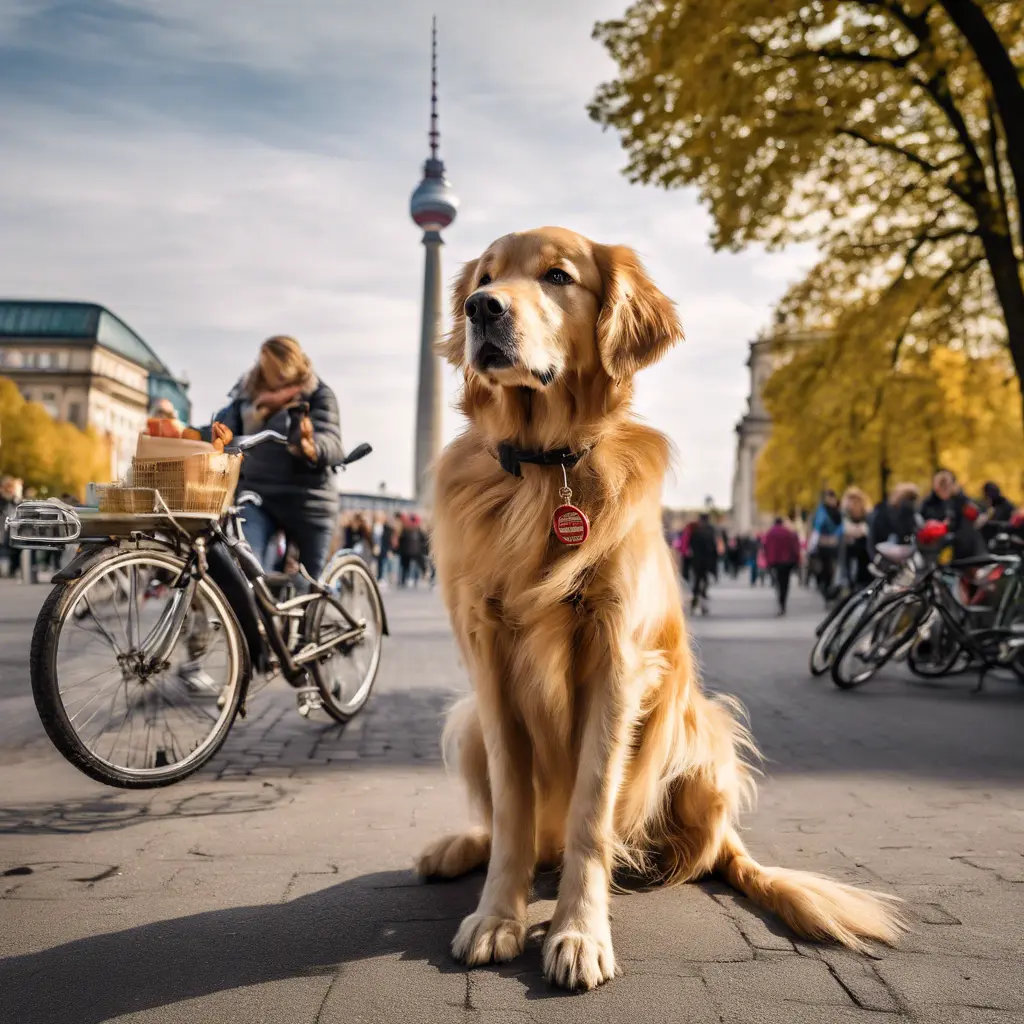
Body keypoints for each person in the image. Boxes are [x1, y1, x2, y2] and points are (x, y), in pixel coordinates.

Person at [202, 335, 344, 582]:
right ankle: (259, 616)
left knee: (311, 584)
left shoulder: (318, 395)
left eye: (282, 374)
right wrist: (185, 432)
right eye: (272, 373)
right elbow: (221, 432)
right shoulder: (246, 398)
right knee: (247, 566)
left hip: (309, 500)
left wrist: (311, 446)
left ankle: (313, 610)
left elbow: (331, 441)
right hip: (259, 496)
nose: (277, 381)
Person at [920, 469, 982, 558]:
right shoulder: (929, 503)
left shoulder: (959, 500)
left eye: (947, 485)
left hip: (960, 542)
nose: (944, 488)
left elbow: (974, 514)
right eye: (941, 484)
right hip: (937, 543)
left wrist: (960, 497)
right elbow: (924, 522)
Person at [868, 482, 920, 555]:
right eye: (907, 498)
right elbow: (874, 538)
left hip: (906, 554)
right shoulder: (883, 513)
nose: (909, 503)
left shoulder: (913, 515)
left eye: (912, 499)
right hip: (885, 554)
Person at [763, 516, 801, 615]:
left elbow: (766, 547)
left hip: (775, 562)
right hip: (787, 561)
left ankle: (780, 601)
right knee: (785, 583)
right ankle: (783, 602)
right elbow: (795, 547)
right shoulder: (788, 533)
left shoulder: (770, 533)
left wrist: (768, 561)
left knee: (778, 582)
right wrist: (796, 561)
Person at [809, 490, 843, 600]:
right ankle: (826, 590)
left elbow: (841, 526)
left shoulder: (838, 512)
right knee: (824, 571)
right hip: (822, 545)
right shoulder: (822, 512)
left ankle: (830, 591)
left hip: (833, 544)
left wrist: (835, 537)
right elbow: (817, 527)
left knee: (832, 570)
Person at [841, 487, 871, 590]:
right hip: (850, 554)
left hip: (864, 556)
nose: (853, 504)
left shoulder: (867, 516)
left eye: (856, 501)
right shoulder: (845, 516)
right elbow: (845, 531)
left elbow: (866, 531)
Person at [689, 513, 718, 615]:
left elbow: (690, 546)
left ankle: (694, 603)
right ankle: (703, 605)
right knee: (704, 582)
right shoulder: (710, 531)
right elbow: (714, 548)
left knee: (697, 582)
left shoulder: (695, 530)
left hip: (696, 561)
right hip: (706, 561)